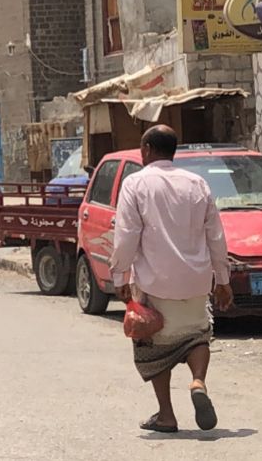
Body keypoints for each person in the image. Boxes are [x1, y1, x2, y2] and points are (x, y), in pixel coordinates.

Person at [109, 124, 234, 433]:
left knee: (154, 347)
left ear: (148, 149)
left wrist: (119, 275)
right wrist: (223, 279)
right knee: (197, 335)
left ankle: (166, 415)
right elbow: (215, 236)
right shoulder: (197, 183)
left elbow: (127, 234)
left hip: (155, 283)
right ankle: (197, 382)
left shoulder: (135, 184)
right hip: (196, 280)